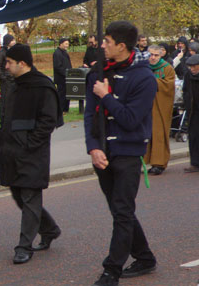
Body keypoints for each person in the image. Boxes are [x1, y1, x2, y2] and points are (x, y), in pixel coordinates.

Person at [84, 21, 157, 286]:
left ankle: (111, 271)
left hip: (128, 151)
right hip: (103, 153)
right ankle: (145, 257)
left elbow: (130, 119)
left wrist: (107, 95)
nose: (101, 45)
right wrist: (92, 147)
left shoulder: (145, 78)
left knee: (123, 211)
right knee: (119, 211)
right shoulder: (97, 72)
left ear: (121, 46)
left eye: (107, 42)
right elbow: (88, 115)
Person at [0, 44, 62, 265]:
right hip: (11, 151)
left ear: (22, 63)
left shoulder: (43, 86)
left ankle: (24, 247)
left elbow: (48, 121)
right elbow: (6, 115)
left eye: (9, 62)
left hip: (32, 152)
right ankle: (50, 228)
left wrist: (30, 144)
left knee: (30, 197)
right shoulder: (14, 85)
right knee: (18, 195)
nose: (5, 66)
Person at [144, 45, 176, 175]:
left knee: (158, 133)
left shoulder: (167, 68)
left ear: (161, 54)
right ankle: (147, 160)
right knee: (146, 133)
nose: (153, 57)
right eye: (150, 54)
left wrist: (153, 81)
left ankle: (159, 163)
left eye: (156, 55)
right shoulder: (144, 67)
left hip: (160, 106)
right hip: (145, 106)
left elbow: (169, 86)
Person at [0, 34, 16, 124]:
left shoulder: (10, 51)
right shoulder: (1, 52)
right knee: (5, 100)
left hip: (11, 79)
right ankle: (3, 118)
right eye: (12, 40)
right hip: (6, 80)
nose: (14, 41)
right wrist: (3, 78)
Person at [182, 54, 199, 173]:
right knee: (193, 137)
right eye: (190, 67)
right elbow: (185, 89)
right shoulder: (188, 75)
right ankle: (195, 163)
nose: (192, 69)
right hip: (193, 111)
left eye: (194, 66)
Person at [53, 38, 71, 114]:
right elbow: (57, 67)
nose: (67, 45)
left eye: (68, 44)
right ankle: (61, 109)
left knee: (68, 93)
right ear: (61, 44)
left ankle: (66, 109)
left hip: (67, 77)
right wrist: (65, 73)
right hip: (61, 78)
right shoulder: (57, 53)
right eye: (66, 43)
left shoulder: (65, 53)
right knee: (61, 94)